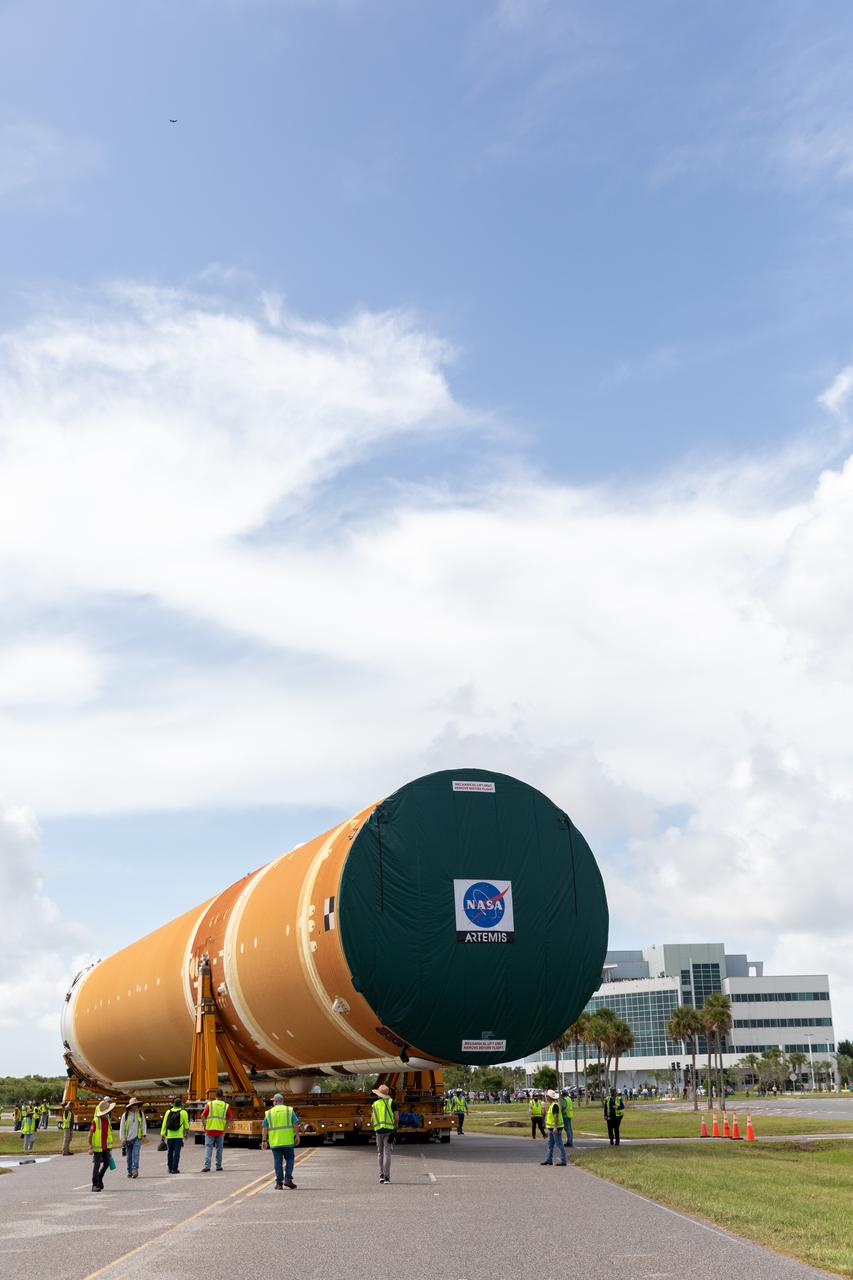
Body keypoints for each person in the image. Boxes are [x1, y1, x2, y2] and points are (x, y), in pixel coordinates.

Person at [262, 1092, 300, 1190]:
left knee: (278, 1162)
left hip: (275, 1142)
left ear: (276, 1101)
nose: (273, 1102)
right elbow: (295, 1124)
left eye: (273, 1101)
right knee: (290, 1159)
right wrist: (297, 1136)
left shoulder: (269, 1113)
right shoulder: (289, 1110)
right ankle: (288, 1179)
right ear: (282, 1101)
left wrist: (264, 1141)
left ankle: (279, 1183)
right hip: (287, 1141)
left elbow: (265, 1128)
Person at [200, 1088, 232, 1172]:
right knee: (219, 1149)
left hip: (210, 1129)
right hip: (220, 1131)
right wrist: (225, 1130)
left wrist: (204, 1125)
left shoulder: (210, 1104)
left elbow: (202, 1116)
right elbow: (229, 1120)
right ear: (222, 1096)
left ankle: (207, 1166)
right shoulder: (226, 1106)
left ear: (215, 1095)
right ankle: (218, 1166)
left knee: (208, 1147)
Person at [371, 1083, 396, 1184]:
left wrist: (376, 1126)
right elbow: (397, 1117)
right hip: (389, 1130)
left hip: (378, 1131)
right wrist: (395, 1128)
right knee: (387, 1153)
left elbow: (372, 1119)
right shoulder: (392, 1103)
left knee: (380, 1154)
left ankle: (381, 1175)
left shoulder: (375, 1104)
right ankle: (387, 1177)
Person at [89, 1098, 115, 1192]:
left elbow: (108, 1133)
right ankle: (94, 1184)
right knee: (97, 1165)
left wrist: (110, 1146)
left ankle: (100, 1177)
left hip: (105, 1147)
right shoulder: (95, 1121)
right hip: (97, 1148)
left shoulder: (107, 1120)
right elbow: (90, 1135)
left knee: (107, 1163)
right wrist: (90, 1146)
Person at [160, 1096, 190, 1173]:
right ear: (181, 1104)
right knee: (176, 1153)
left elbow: (164, 1124)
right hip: (178, 1136)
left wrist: (163, 1134)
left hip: (169, 1136)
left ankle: (169, 1168)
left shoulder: (168, 1112)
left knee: (170, 1152)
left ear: (173, 1104)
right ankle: (174, 1169)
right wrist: (186, 1134)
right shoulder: (183, 1112)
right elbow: (186, 1125)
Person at [119, 1098, 147, 1178]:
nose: (136, 1106)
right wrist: (122, 1139)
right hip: (128, 1139)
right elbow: (122, 1128)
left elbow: (143, 1124)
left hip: (137, 1138)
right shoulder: (125, 1115)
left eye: (137, 1105)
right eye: (134, 1105)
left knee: (136, 1154)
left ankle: (135, 1170)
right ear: (130, 1106)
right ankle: (130, 1171)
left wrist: (144, 1133)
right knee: (129, 1157)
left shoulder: (140, 1114)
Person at [540, 1089, 567, 1166]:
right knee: (550, 1144)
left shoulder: (555, 1105)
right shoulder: (552, 1105)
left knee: (559, 1144)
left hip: (556, 1128)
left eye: (547, 1096)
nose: (546, 1097)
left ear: (550, 1097)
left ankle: (563, 1160)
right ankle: (549, 1160)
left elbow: (556, 1116)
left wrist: (555, 1127)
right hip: (551, 1128)